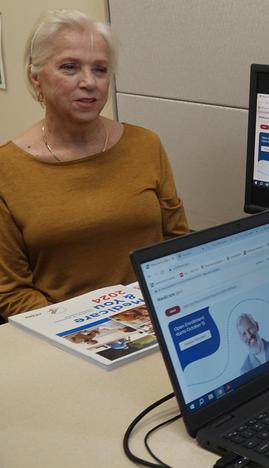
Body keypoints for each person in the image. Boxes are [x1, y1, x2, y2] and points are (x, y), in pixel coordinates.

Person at [0, 10, 189, 320]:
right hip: (62, 333)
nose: (89, 82)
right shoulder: (7, 168)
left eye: (100, 70)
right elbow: (12, 293)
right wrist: (86, 329)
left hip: (154, 319)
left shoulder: (145, 145)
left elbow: (177, 243)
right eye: (69, 67)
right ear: (36, 77)